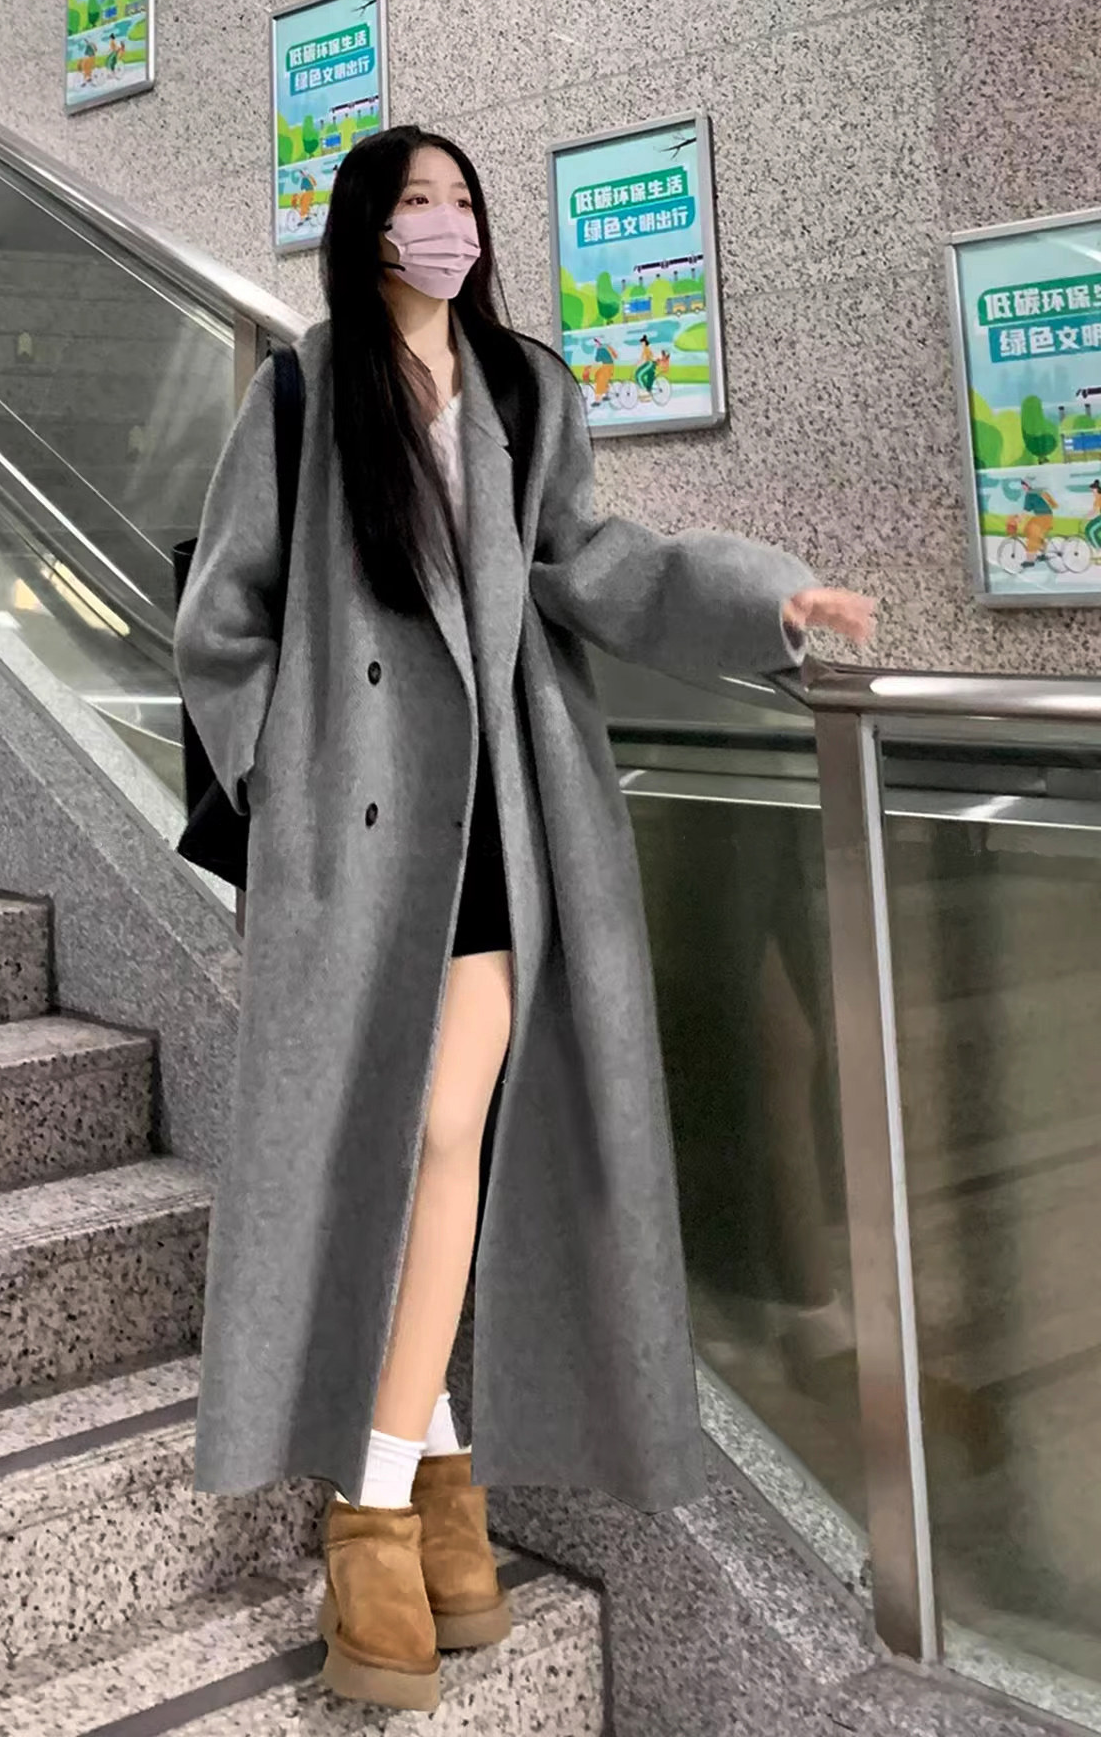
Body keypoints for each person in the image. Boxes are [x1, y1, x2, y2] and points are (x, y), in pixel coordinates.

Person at [172, 126, 874, 1716]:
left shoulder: (526, 392)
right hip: (360, 844)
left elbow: (600, 566)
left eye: (464, 199)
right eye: (418, 200)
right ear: (365, 226)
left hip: (505, 824)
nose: (449, 223)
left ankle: (371, 1499)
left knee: (441, 1139)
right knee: (405, 1145)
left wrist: (767, 602)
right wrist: (288, 782)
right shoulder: (302, 397)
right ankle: (427, 1482)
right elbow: (222, 623)